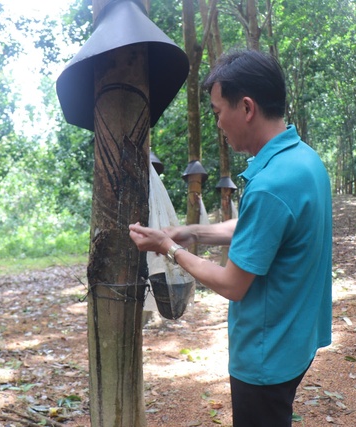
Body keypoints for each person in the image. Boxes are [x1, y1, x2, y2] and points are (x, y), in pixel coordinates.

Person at [129, 49, 332, 427]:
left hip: (265, 353)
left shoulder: (272, 184)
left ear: (248, 108)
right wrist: (191, 232)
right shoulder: (305, 162)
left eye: (219, 111)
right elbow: (261, 229)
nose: (218, 123)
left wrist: (168, 249)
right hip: (296, 337)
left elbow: (232, 283)